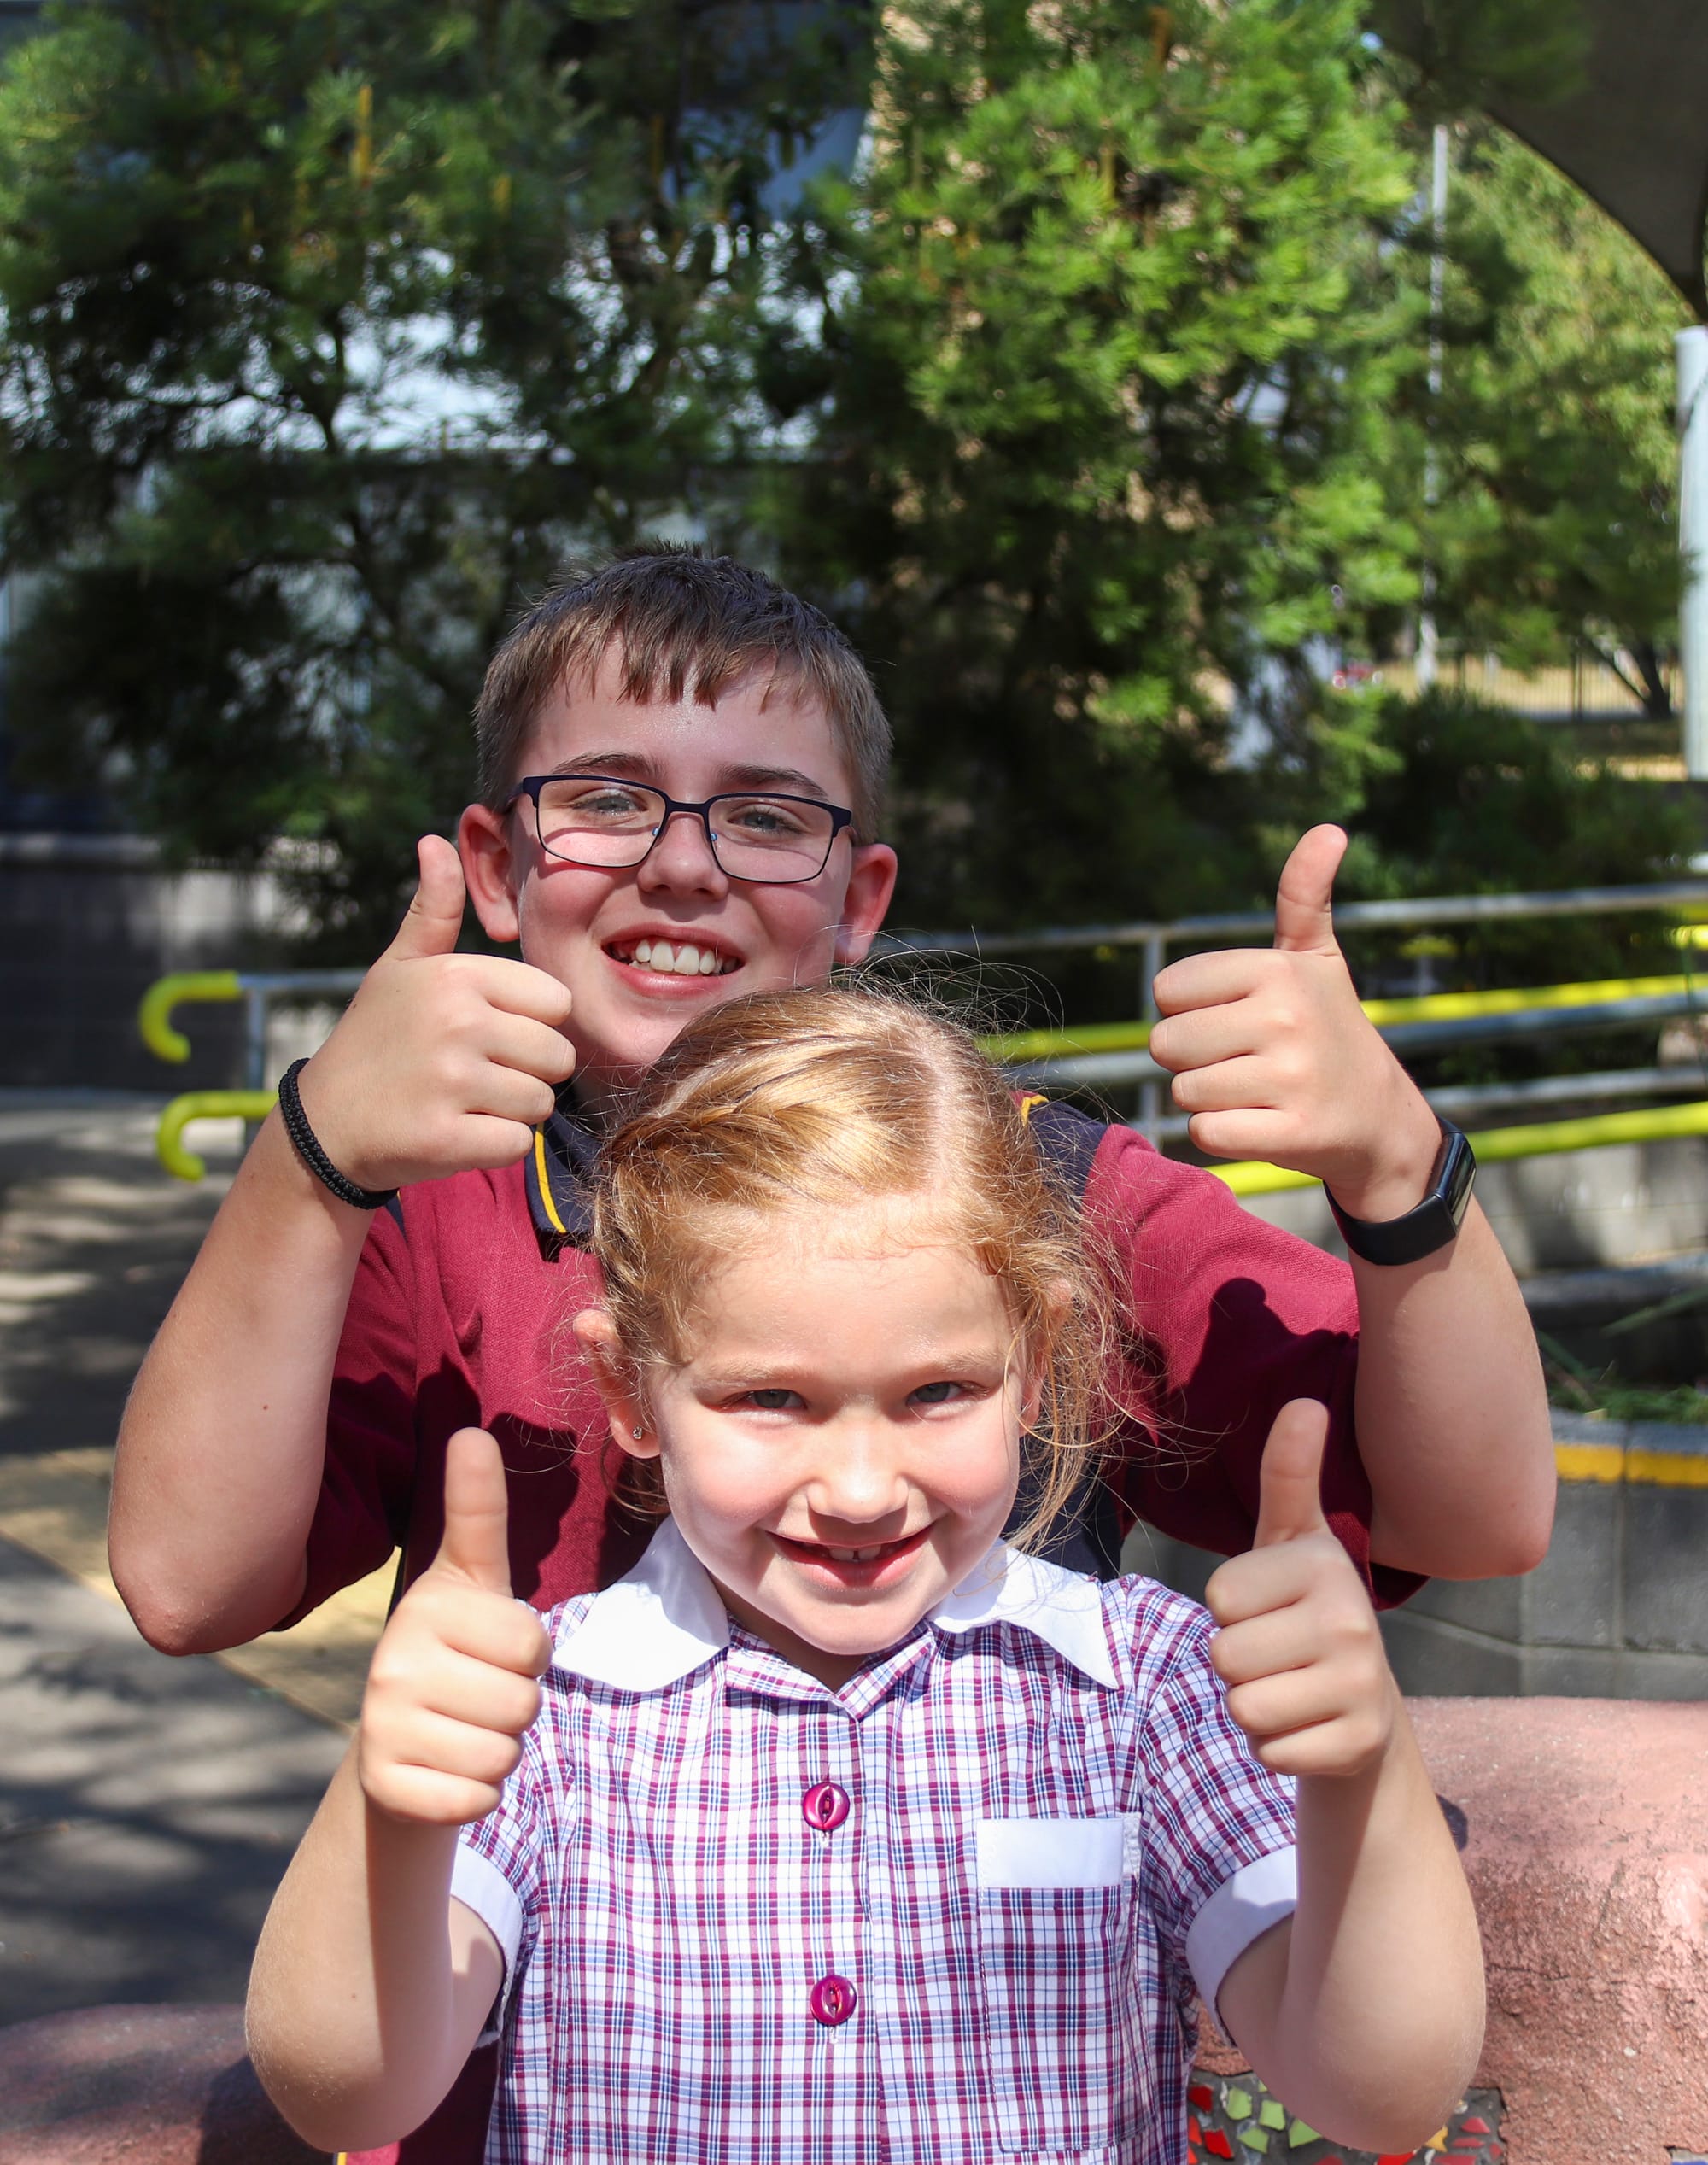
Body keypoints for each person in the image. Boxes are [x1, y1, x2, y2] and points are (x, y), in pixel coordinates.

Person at [111, 547, 1547, 2162]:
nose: (682, 868)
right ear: (500, 866)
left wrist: (1397, 1169)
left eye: (768, 815)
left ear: (861, 896)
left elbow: (1477, 1518)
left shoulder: (1017, 1187)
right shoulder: (426, 1201)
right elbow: (184, 1584)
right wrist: (310, 1154)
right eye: (609, 799)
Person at [245, 985, 1486, 2163]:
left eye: (936, 1393)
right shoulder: (546, 1716)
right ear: (630, 1390)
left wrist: (1360, 1769)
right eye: (769, 1398)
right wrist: (390, 1799)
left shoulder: (1147, 1688)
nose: (856, 1489)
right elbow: (345, 2083)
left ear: (1039, 1360)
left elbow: (1378, 2085)